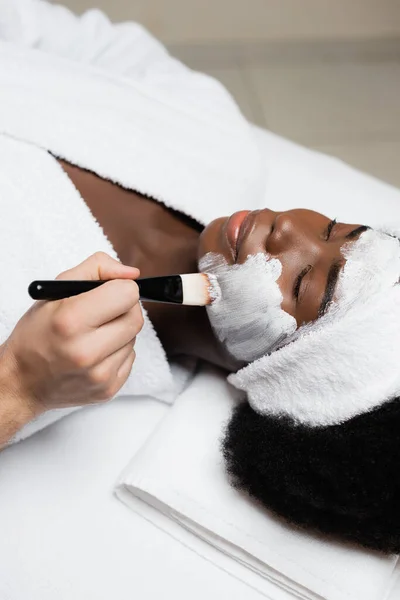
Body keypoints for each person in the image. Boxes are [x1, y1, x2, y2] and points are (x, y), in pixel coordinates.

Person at [1, 0, 400, 562]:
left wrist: (18, 385)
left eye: (308, 279)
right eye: (339, 229)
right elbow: (63, 35)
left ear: (289, 375)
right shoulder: (215, 141)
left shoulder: (35, 359)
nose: (292, 227)